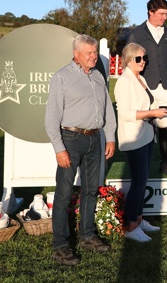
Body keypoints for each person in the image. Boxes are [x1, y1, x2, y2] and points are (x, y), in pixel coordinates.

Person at [45, 34, 117, 266]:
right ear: (76, 54)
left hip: (95, 139)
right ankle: (61, 246)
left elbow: (107, 110)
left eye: (95, 52)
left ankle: (87, 236)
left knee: (90, 190)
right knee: (64, 193)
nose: (94, 57)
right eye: (90, 53)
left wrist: (111, 137)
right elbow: (51, 118)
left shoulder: (97, 76)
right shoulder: (62, 78)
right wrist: (59, 148)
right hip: (71, 139)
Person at [114, 43, 167, 242]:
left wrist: (165, 109)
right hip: (134, 137)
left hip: (146, 135)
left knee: (142, 182)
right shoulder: (124, 82)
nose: (143, 62)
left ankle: (139, 220)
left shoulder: (139, 78)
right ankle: (131, 226)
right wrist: (153, 113)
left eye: (144, 58)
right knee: (138, 182)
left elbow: (148, 105)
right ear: (127, 60)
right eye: (138, 59)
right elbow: (124, 113)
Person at [128, 0, 167, 175]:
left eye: (166, 14)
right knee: (143, 124)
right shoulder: (137, 33)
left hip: (164, 86)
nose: (164, 17)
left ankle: (165, 162)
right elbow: (129, 57)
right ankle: (142, 163)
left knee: (163, 123)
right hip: (144, 85)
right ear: (151, 12)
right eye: (161, 14)